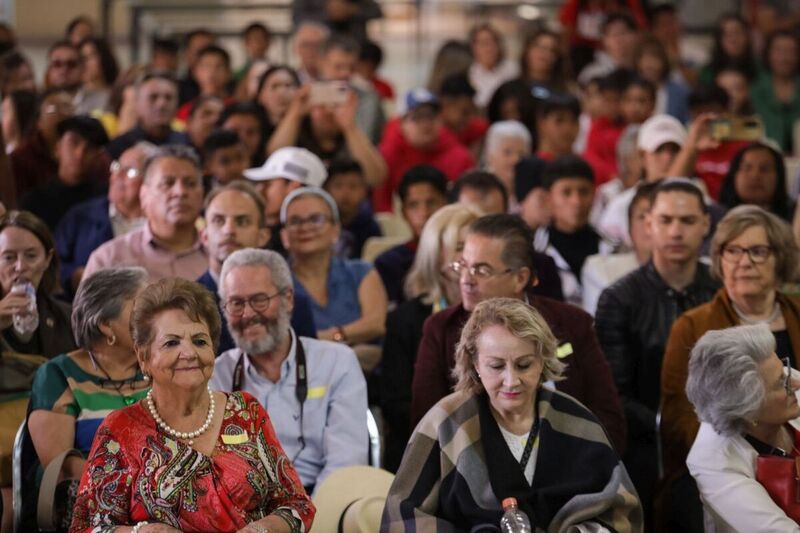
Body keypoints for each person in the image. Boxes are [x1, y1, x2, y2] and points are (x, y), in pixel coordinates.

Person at [70, 277, 315, 532]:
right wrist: (141, 532)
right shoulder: (120, 429)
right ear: (144, 357)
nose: (189, 353)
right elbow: (88, 527)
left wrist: (264, 529)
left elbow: (297, 503)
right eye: (171, 342)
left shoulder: (246, 411)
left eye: (199, 341)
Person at [383, 298, 643, 531]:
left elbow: (620, 514)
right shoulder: (445, 422)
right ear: (475, 364)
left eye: (524, 365)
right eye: (496, 366)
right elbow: (402, 517)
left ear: (542, 361)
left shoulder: (578, 421)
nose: (511, 381)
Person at [411, 214, 626, 452]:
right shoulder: (441, 329)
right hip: (477, 468)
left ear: (520, 278)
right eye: (463, 265)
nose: (466, 280)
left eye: (481, 270)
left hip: (571, 464)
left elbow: (609, 418)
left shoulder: (572, 323)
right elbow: (428, 425)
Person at [661, 205, 800, 531]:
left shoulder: (795, 317)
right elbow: (680, 417)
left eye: (757, 251)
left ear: (779, 257)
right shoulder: (694, 325)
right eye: (733, 251)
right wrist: (743, 434)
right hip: (736, 445)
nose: (744, 261)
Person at [594, 179, 718, 525]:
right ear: (648, 224)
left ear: (706, 224)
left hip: (723, 436)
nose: (676, 231)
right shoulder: (618, 298)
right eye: (666, 220)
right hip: (646, 446)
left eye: (688, 221)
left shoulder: (722, 290)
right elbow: (614, 394)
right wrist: (677, 429)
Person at [209, 248, 368, 493]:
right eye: (236, 303)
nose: (248, 314)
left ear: (288, 299)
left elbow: (345, 462)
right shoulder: (215, 375)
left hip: (322, 500)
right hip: (244, 511)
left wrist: (305, 516)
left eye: (259, 300)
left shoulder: (337, 363)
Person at [24, 268, 148, 529]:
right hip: (86, 502)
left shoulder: (155, 368)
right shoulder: (58, 374)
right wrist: (132, 488)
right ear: (106, 325)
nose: (155, 318)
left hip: (154, 498)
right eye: (142, 308)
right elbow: (60, 465)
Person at [380, 203, 481, 472]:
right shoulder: (407, 318)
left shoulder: (499, 314)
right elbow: (396, 402)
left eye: (475, 246)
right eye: (460, 247)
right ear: (436, 254)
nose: (470, 256)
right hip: (426, 447)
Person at [686, 325, 800, 532]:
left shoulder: (774, 379)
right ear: (749, 411)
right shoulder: (714, 462)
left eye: (785, 367)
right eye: (781, 383)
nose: (795, 382)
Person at [197, 181, 316, 354]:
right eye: (218, 220)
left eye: (242, 221)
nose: (229, 230)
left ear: (263, 236)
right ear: (204, 236)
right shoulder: (187, 305)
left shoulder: (294, 303)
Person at [280, 187, 387, 366]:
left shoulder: (360, 271)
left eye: (316, 219)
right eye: (295, 221)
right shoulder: (275, 282)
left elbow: (375, 324)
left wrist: (326, 337)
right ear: (284, 236)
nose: (305, 227)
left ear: (336, 230)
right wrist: (347, 342)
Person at [84, 145, 208, 282]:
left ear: (202, 195)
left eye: (190, 184)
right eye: (168, 183)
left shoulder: (218, 258)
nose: (180, 192)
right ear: (144, 195)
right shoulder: (109, 260)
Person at [55, 142, 153, 296]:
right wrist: (73, 276)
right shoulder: (81, 216)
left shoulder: (160, 224)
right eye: (116, 167)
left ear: (151, 182)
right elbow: (53, 261)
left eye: (131, 171)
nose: (118, 175)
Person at [266, 65, 387, 185]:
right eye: (322, 105)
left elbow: (375, 178)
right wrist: (295, 112)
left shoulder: (352, 137)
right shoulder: (297, 131)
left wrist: (350, 128)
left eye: (336, 105)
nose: (329, 111)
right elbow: (274, 159)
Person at [374, 88, 474, 213]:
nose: (426, 124)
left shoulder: (460, 157)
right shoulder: (386, 156)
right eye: (417, 117)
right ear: (401, 123)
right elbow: (382, 205)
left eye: (431, 116)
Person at [534, 155, 612, 307]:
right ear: (549, 198)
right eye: (566, 192)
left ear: (594, 195)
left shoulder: (616, 248)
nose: (576, 202)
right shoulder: (532, 252)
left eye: (584, 192)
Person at [0, 210, 74, 358]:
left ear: (47, 259)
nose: (20, 267)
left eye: (31, 256)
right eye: (9, 257)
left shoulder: (68, 318)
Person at [374, 164, 448, 307]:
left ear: (446, 203)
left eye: (431, 202)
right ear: (403, 212)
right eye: (413, 205)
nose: (424, 213)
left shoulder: (462, 257)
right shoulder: (389, 264)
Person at [20, 115, 109, 231]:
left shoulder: (106, 199)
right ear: (57, 148)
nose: (80, 154)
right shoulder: (33, 202)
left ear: (98, 157)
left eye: (90, 147)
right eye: (74, 142)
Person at [582, 179, 655, 316]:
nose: (650, 225)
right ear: (629, 228)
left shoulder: (706, 269)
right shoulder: (601, 269)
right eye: (642, 216)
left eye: (661, 217)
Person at [243, 146, 327, 253]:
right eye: (259, 184)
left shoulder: (315, 239)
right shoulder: (255, 230)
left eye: (268, 184)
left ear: (294, 187)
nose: (259, 190)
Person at [106, 73, 189, 160]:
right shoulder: (119, 147)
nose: (162, 104)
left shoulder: (187, 144)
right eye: (153, 97)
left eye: (168, 98)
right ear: (137, 103)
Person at [750, 31, 800, 153]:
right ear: (768, 54)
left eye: (791, 51)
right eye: (779, 51)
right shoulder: (755, 88)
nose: (784, 58)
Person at [719, 142, 794, 222]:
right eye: (747, 168)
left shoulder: (795, 217)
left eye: (764, 169)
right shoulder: (716, 216)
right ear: (734, 174)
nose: (755, 176)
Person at [322, 158, 381, 259]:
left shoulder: (370, 227)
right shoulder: (320, 223)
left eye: (353, 186)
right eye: (338, 186)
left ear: (365, 191)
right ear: (326, 189)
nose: (345, 193)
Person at [176, 45, 233, 123]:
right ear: (195, 72)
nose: (212, 73)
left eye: (219, 67)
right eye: (207, 66)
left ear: (228, 73)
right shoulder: (185, 111)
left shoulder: (236, 109)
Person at [697, 13, 759, 85]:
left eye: (738, 33)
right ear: (719, 40)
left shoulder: (760, 69)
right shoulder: (708, 73)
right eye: (727, 34)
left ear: (747, 37)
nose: (733, 39)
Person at [467, 23, 518, 109]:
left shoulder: (513, 70)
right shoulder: (468, 74)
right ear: (473, 47)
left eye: (492, 42)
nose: (488, 49)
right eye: (483, 43)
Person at [482, 120, 531, 205]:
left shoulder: (532, 192)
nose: (516, 159)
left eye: (522, 154)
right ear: (490, 156)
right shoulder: (477, 190)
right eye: (507, 152)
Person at [437, 73, 488, 153]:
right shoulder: (429, 137)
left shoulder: (475, 128)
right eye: (465, 112)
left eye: (472, 112)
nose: (470, 118)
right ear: (445, 104)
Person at [74, 37, 119, 115]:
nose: (84, 63)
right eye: (81, 58)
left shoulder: (116, 96)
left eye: (89, 57)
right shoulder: (74, 96)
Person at [255, 65, 300, 143]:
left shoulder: (310, 127)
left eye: (288, 85)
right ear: (260, 96)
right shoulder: (255, 130)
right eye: (274, 86)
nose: (282, 92)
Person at [518, 28, 568, 93]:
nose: (544, 54)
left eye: (552, 50)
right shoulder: (509, 89)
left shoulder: (566, 95)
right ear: (527, 50)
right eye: (540, 47)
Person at [534, 93, 580, 161]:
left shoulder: (586, 165)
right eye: (559, 121)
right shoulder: (532, 168)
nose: (568, 128)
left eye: (573, 121)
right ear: (542, 124)